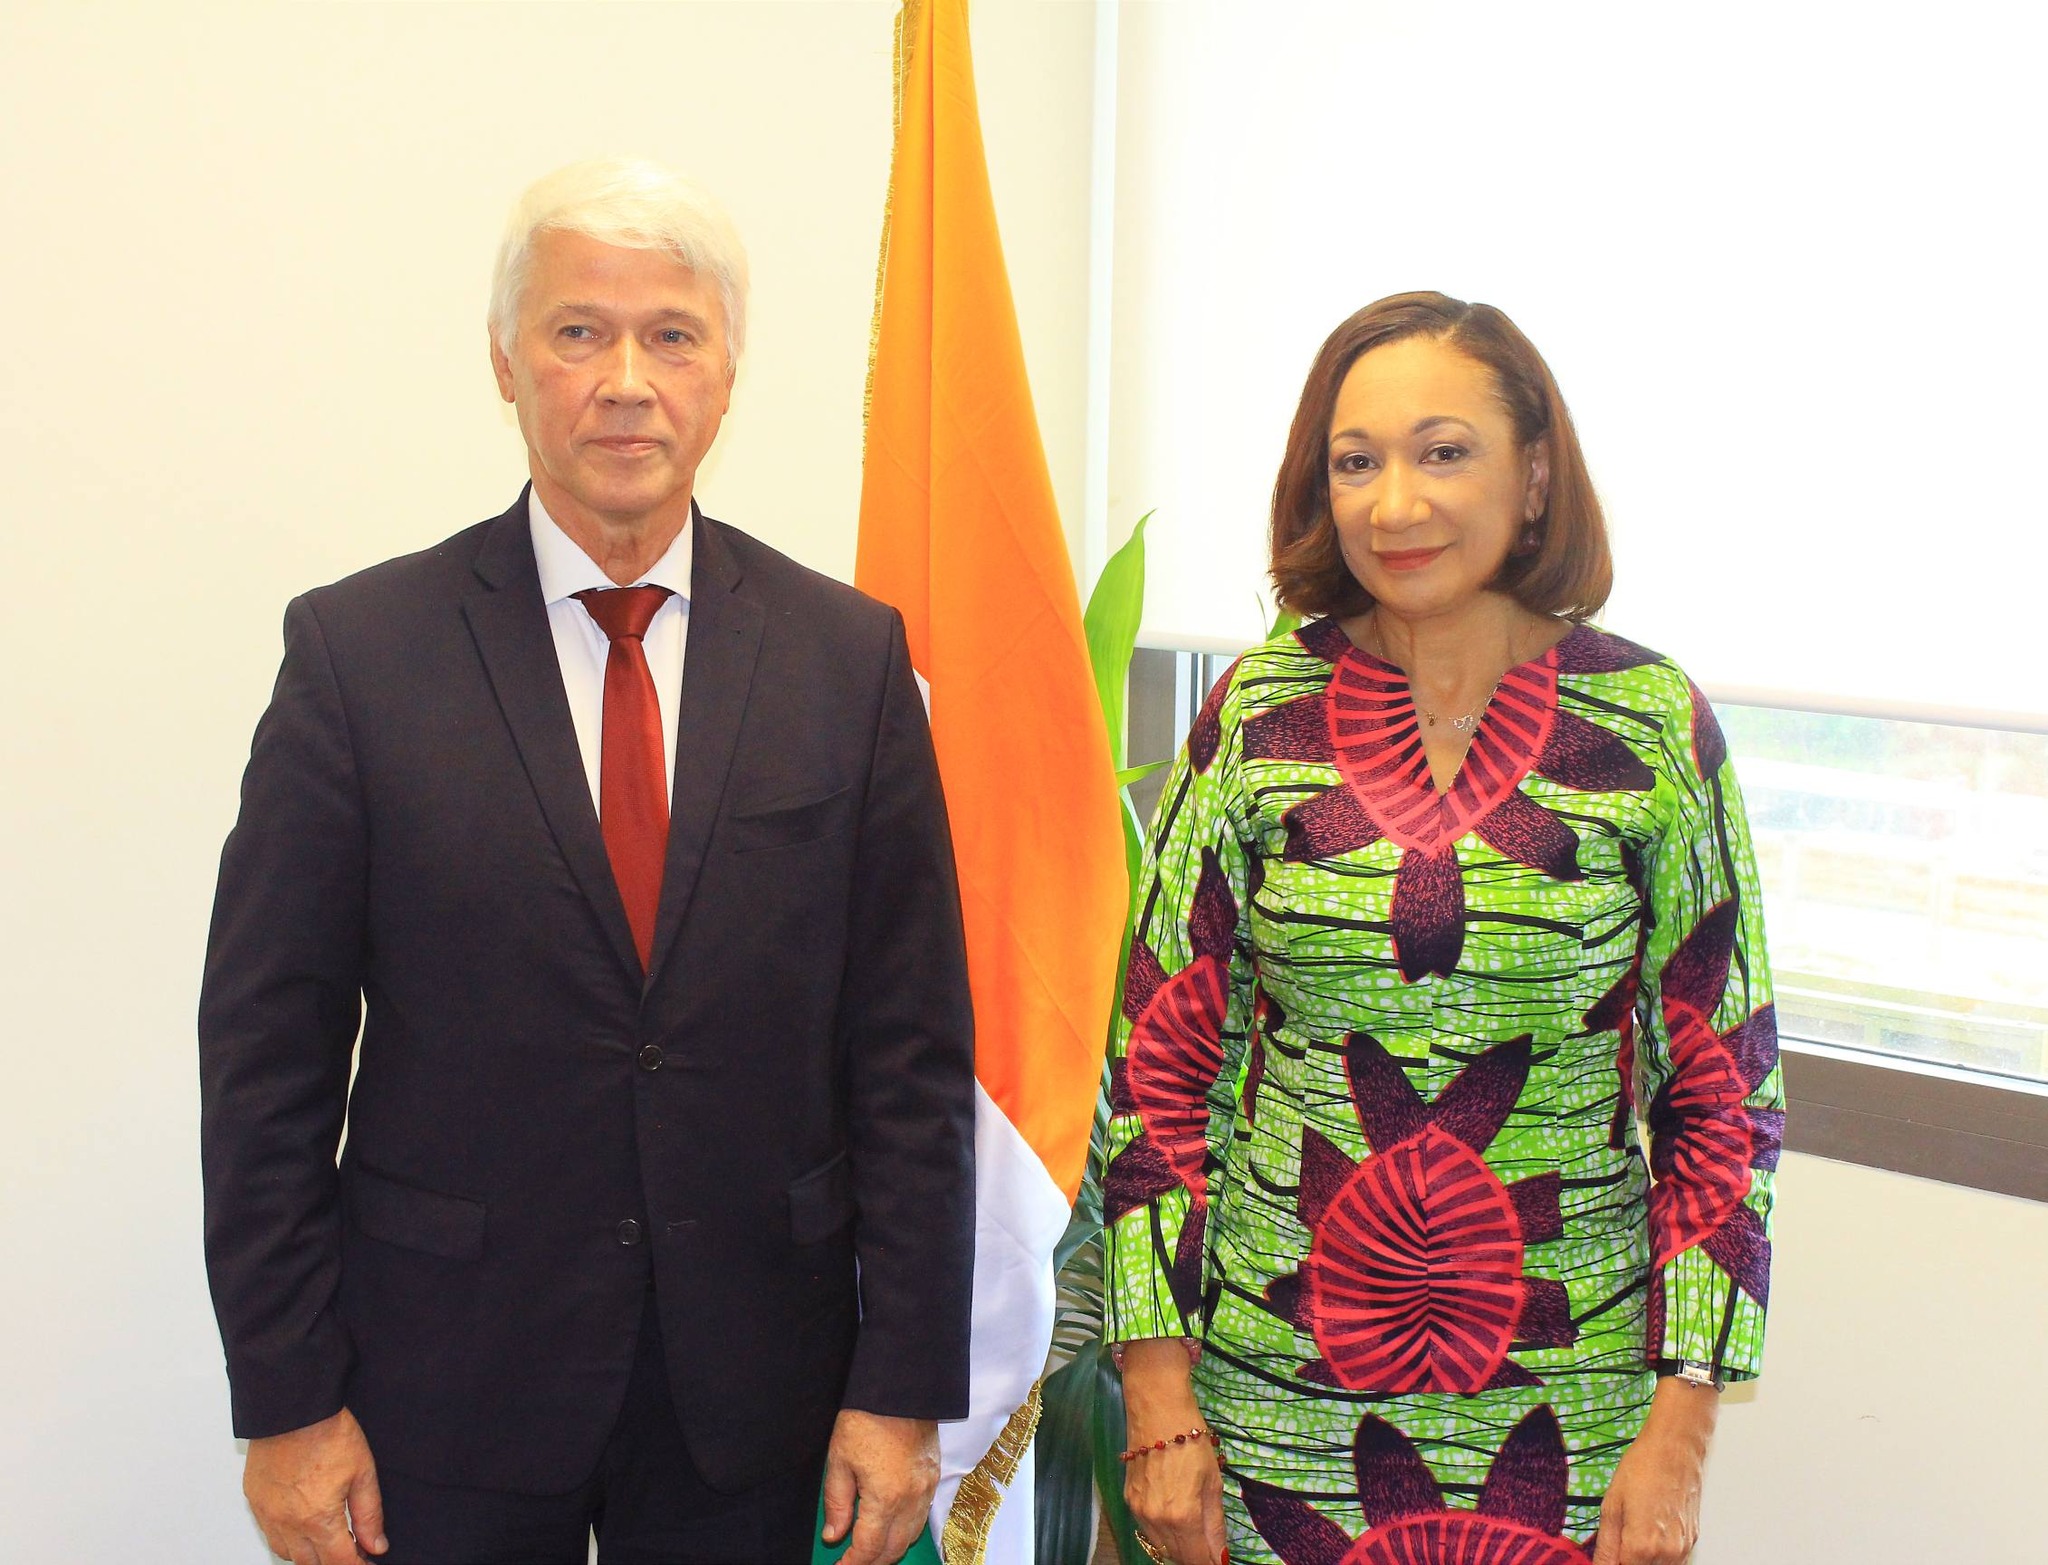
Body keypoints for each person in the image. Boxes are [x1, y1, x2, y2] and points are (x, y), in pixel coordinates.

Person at [199, 158, 976, 1565]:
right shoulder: (357, 658)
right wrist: (288, 1401)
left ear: (727, 375)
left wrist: (903, 1386)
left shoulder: (847, 660)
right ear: (506, 361)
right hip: (441, 1399)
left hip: (763, 1399)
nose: (628, 379)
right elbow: (265, 1063)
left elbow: (911, 1059)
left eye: (672, 335)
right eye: (579, 331)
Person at [1102, 292, 1780, 1565]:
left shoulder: (1648, 723)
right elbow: (1157, 1064)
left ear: (1533, 474)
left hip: (1568, 1402)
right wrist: (1154, 1396)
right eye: (1354, 462)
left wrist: (1678, 1426)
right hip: (1269, 1388)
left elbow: (1723, 1096)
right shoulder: (1257, 710)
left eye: (1441, 450)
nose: (1392, 502)